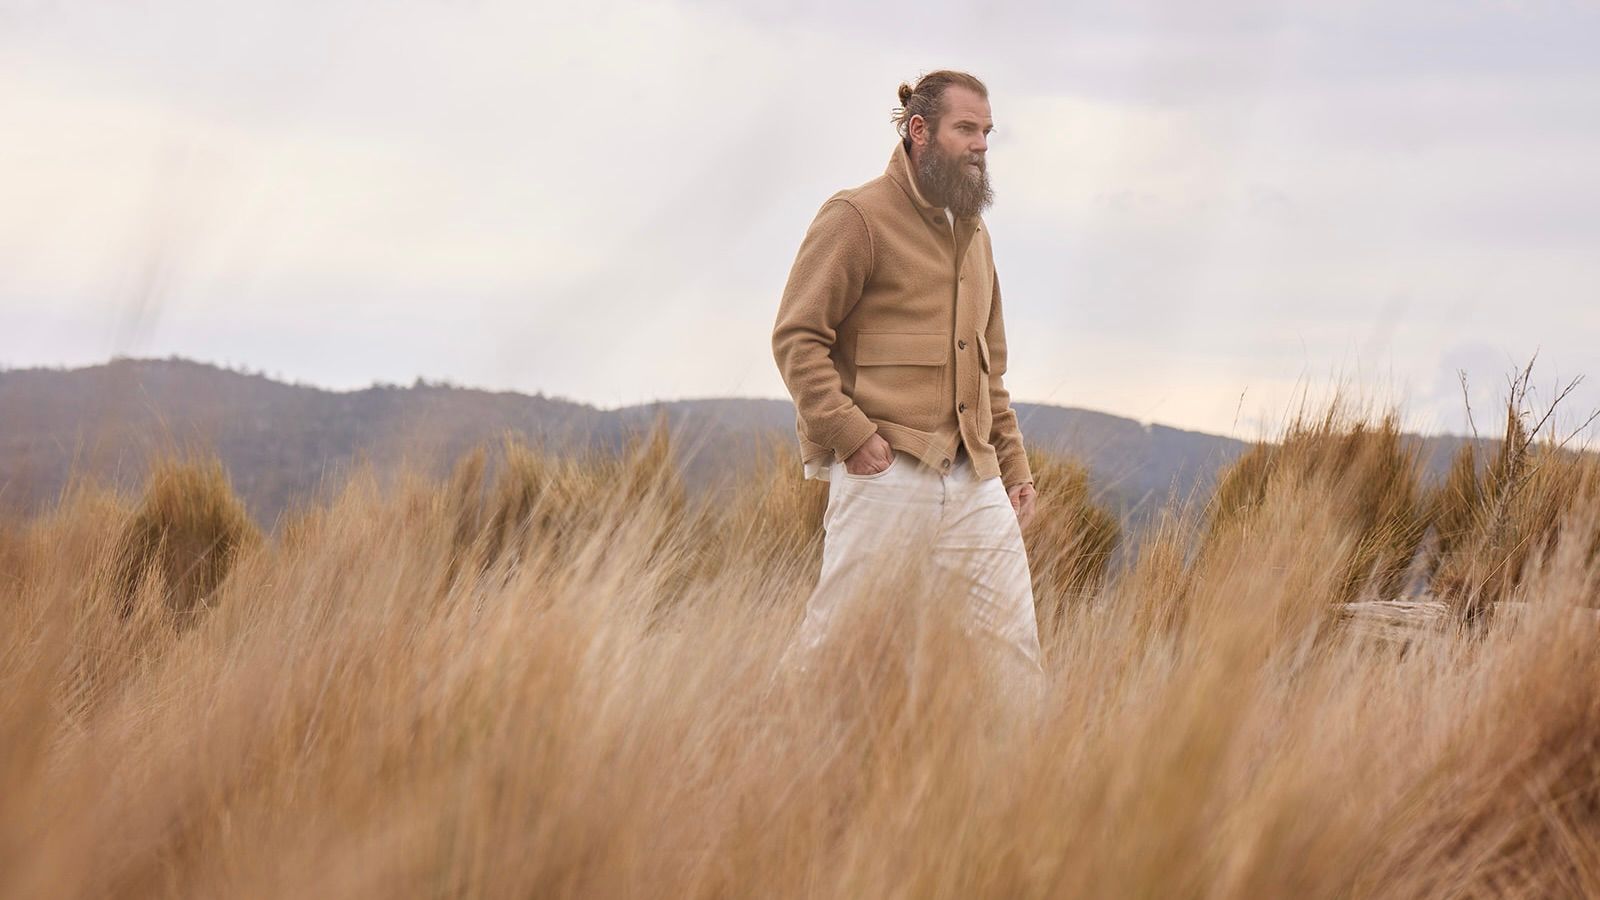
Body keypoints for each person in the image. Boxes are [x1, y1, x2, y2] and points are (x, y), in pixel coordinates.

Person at [770, 70, 1043, 697]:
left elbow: (988, 370)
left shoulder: (977, 237)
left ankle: (1026, 789)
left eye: (987, 132)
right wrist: (853, 437)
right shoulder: (855, 217)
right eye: (966, 129)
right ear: (920, 131)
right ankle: (766, 756)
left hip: (976, 483)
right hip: (883, 472)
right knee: (836, 648)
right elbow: (797, 338)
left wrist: (1015, 469)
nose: (980, 144)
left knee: (1014, 656)